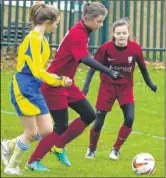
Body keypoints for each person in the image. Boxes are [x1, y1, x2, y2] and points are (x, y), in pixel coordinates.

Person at [26, 2, 122, 170]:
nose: (100, 25)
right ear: (87, 19)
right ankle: (33, 161)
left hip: (67, 83)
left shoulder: (85, 30)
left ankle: (58, 147)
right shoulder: (78, 33)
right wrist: (109, 71)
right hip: (54, 83)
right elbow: (84, 58)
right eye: (99, 22)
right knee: (61, 125)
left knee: (89, 114)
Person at [1, 2, 72, 175]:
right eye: (56, 23)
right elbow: (36, 70)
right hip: (24, 88)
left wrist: (52, 76)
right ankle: (12, 166)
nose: (56, 26)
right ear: (48, 21)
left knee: (47, 129)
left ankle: (8, 145)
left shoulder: (42, 39)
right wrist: (60, 81)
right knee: (31, 132)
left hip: (34, 87)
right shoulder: (33, 39)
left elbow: (40, 69)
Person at [83, 18, 157, 160]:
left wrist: (150, 84)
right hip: (107, 88)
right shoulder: (105, 49)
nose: (122, 35)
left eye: (124, 32)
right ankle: (91, 149)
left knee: (129, 118)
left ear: (128, 33)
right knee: (99, 121)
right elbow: (93, 67)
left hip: (126, 88)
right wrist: (86, 86)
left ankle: (116, 150)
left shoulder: (135, 49)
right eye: (119, 33)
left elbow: (143, 68)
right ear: (114, 34)